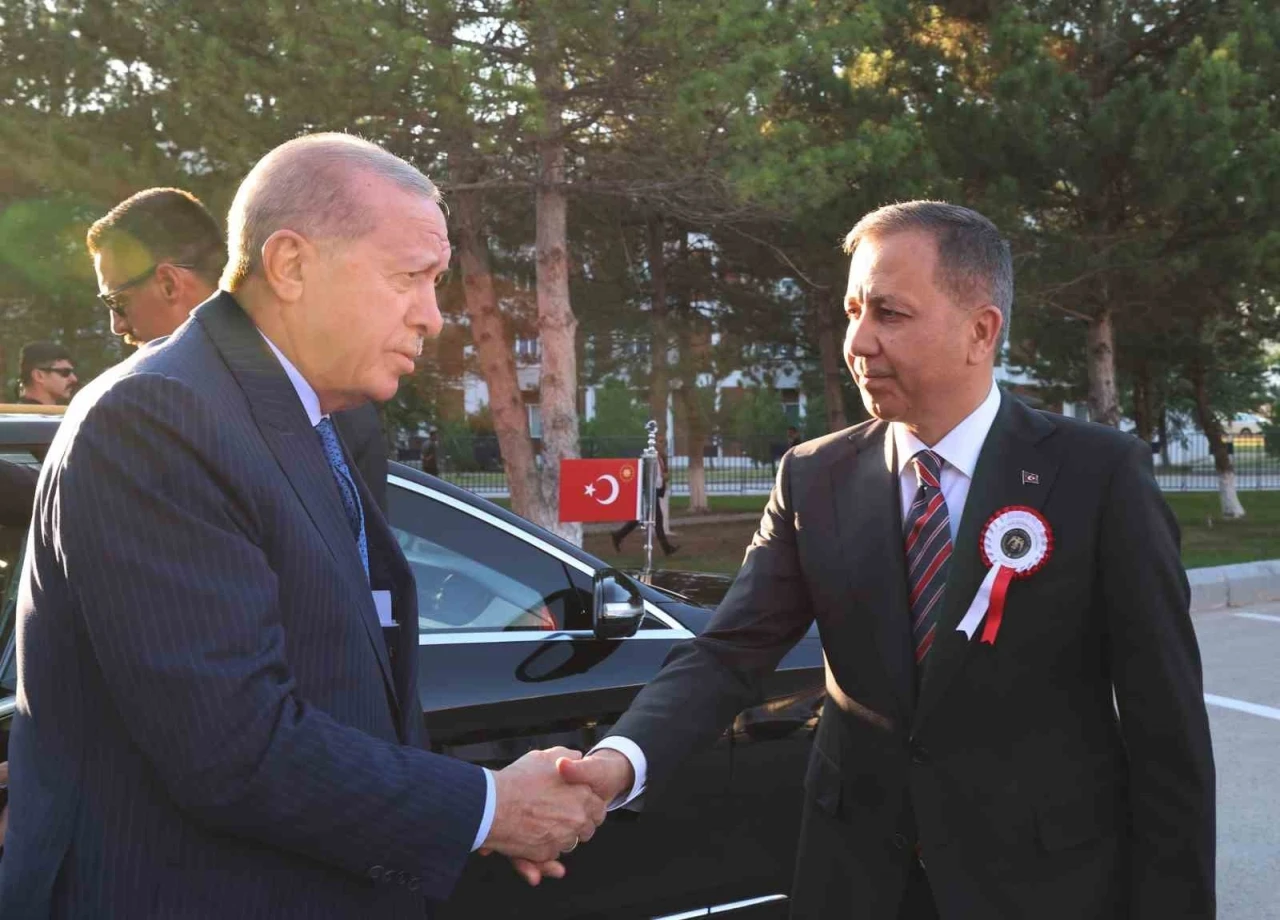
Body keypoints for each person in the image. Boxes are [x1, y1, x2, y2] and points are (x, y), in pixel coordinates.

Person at [1, 133, 604, 918]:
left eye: (436, 283)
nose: (432, 316)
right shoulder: (156, 416)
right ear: (290, 265)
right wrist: (489, 808)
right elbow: (229, 744)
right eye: (409, 278)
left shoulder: (317, 413)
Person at [561, 202, 1216, 919]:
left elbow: (1166, 726)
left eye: (889, 314)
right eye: (852, 312)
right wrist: (618, 761)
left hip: (1040, 885)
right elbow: (729, 652)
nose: (858, 341)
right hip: (856, 879)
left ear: (981, 331)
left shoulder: (1099, 475)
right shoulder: (813, 475)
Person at [87, 186, 389, 511]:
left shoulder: (148, 414)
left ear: (169, 284)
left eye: (117, 301)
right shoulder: (335, 397)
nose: (117, 326)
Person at [612, 440, 677, 556]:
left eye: (664, 444)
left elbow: (660, 476)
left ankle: (618, 535)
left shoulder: (661, 459)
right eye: (661, 443)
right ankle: (667, 548)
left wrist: (664, 479)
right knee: (658, 519)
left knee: (640, 518)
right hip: (649, 492)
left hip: (655, 491)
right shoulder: (649, 458)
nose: (663, 446)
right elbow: (645, 475)